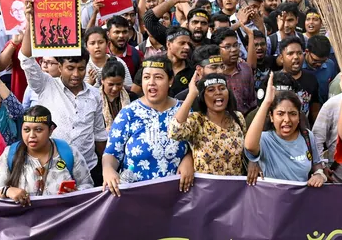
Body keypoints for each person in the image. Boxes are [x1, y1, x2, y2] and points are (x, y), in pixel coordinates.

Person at [20, 0, 107, 187]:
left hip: (89, 169)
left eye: (81, 69)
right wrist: (29, 22)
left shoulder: (94, 94)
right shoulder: (46, 85)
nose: (76, 74)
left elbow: (99, 134)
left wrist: (106, 167)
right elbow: (26, 59)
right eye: (70, 68)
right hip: (51, 169)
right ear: (60, 67)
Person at [102, 56, 194, 196]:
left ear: (170, 81)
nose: (151, 83)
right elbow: (111, 154)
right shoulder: (128, 114)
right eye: (146, 77)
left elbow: (199, 146)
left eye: (158, 77)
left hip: (178, 198)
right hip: (136, 197)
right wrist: (108, 170)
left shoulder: (185, 111)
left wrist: (190, 158)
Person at [0, 106, 94, 205]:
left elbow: (88, 185)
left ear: (51, 130)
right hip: (23, 221)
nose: (31, 135)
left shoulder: (69, 153)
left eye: (38, 130)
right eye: (26, 130)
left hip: (62, 219)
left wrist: (76, 193)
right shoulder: (10, 154)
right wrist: (8, 191)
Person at [244, 73, 326, 186]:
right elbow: (249, 146)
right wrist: (267, 102)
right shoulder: (264, 139)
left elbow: (316, 163)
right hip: (273, 201)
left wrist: (319, 174)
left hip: (301, 201)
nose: (287, 119)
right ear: (271, 117)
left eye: (292, 114)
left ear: (299, 116)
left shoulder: (307, 136)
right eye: (280, 114)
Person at [169, 73, 247, 176]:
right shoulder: (196, 119)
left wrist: (253, 163)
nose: (218, 92)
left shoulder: (238, 117)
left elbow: (247, 150)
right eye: (211, 90)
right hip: (205, 188)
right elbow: (174, 132)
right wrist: (192, 94)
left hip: (236, 188)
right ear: (202, 96)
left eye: (222, 88)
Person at [100, 57, 137, 130]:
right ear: (102, 80)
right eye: (110, 84)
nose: (115, 88)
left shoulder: (132, 98)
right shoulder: (95, 99)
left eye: (119, 84)